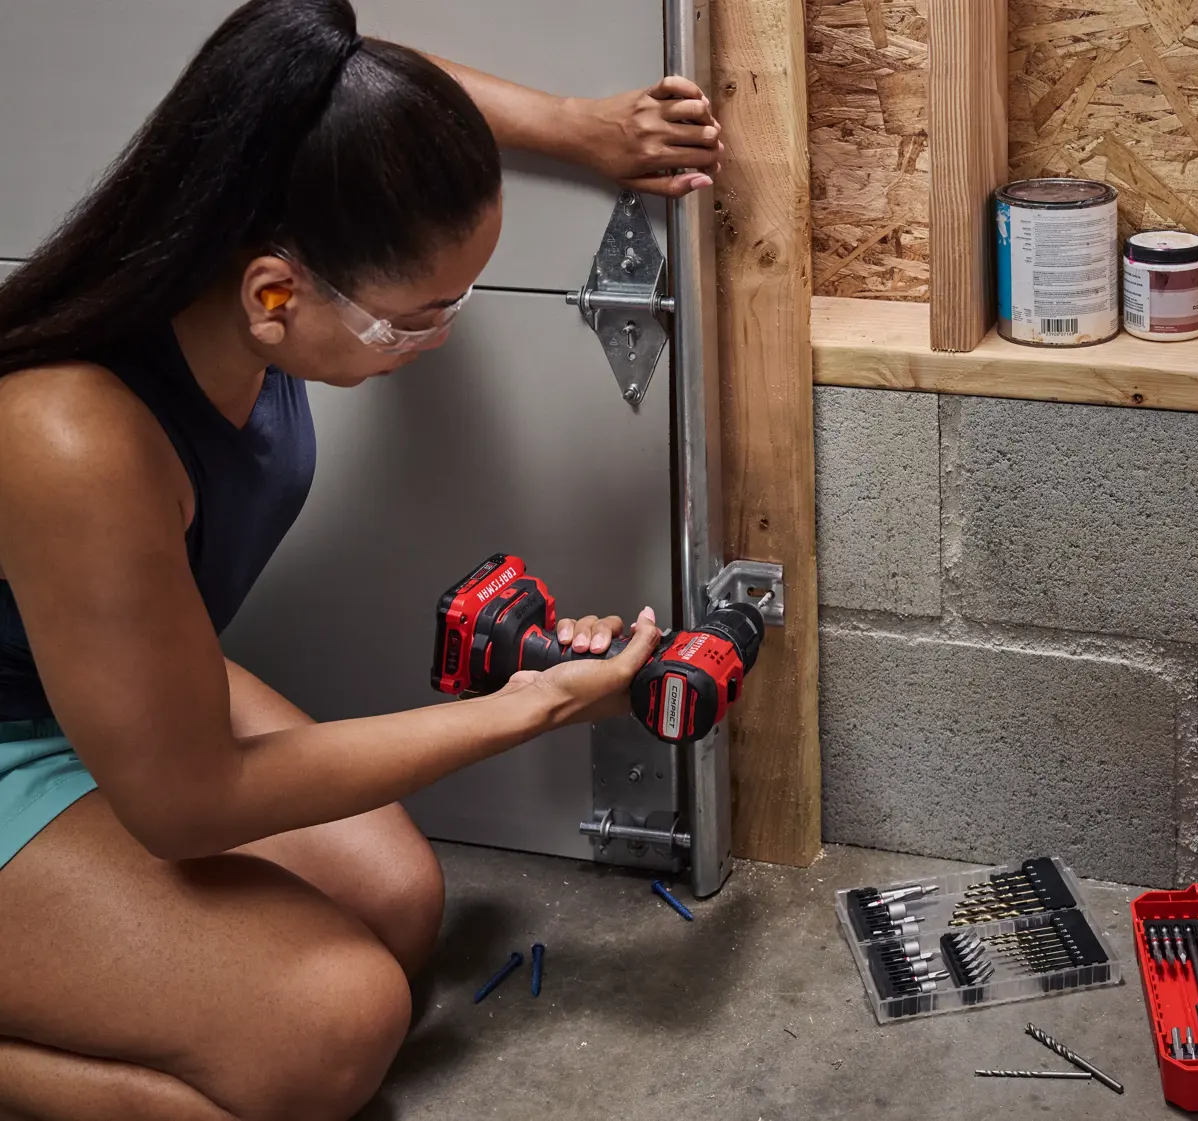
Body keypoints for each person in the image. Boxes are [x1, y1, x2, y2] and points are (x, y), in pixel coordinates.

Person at [0, 2, 722, 1118]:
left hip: (95, 687)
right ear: (274, 295)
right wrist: (527, 709)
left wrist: (578, 128)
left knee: (397, 901)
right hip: (45, 731)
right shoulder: (73, 437)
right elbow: (187, 804)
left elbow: (340, 78)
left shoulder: (251, 290)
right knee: (330, 1026)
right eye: (415, 319)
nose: (437, 340)